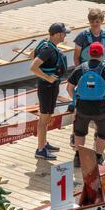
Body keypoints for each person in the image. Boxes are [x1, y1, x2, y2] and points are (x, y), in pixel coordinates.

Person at [67, 42, 105, 167]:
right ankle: (98, 156)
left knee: (79, 132)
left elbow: (69, 88)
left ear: (89, 53)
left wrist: (76, 100)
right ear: (102, 54)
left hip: (82, 108)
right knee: (103, 133)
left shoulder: (80, 68)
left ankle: (78, 158)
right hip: (101, 109)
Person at [70, 8, 105, 148]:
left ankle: (98, 133)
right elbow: (76, 56)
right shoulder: (82, 36)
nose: (94, 24)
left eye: (97, 22)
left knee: (102, 103)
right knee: (79, 105)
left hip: (102, 75)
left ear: (101, 21)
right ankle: (74, 134)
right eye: (92, 22)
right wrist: (80, 75)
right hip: (85, 74)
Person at [30, 23, 70, 160]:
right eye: (64, 33)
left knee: (46, 117)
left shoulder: (45, 43)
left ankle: (44, 143)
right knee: (44, 118)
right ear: (58, 34)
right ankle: (40, 149)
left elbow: (32, 54)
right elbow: (33, 67)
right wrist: (47, 77)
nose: (65, 36)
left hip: (49, 86)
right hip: (47, 87)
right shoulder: (48, 50)